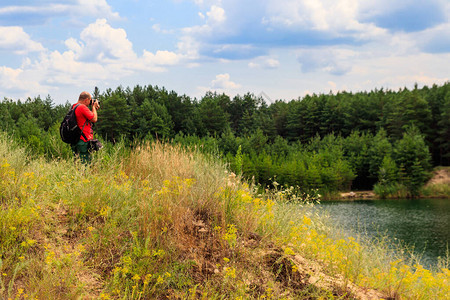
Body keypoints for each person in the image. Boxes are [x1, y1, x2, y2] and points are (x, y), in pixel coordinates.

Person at [71, 91, 100, 164]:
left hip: (75, 139)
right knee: (85, 164)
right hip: (83, 140)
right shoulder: (82, 107)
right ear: (86, 100)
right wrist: (93, 107)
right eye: (90, 100)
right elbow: (94, 119)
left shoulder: (74, 106)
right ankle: (84, 175)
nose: (90, 102)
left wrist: (94, 109)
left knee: (77, 162)